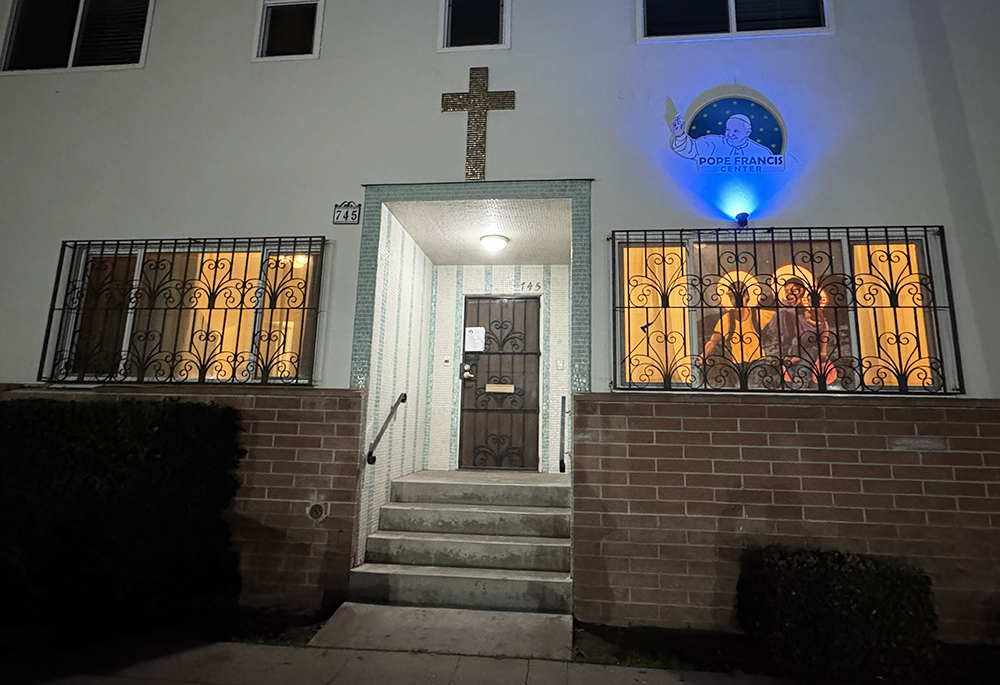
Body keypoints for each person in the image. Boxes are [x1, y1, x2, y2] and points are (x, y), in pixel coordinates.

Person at [670, 113, 773, 162]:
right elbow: (691, 150)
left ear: (748, 133)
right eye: (728, 130)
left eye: (736, 131)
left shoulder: (762, 153)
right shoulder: (711, 143)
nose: (730, 134)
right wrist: (680, 135)